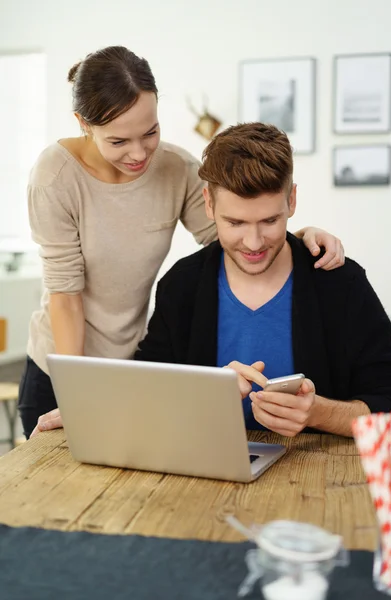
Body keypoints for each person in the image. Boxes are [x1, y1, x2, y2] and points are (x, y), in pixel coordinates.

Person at [24, 45, 344, 439]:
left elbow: (237, 239)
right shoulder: (55, 177)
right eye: (119, 142)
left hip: (134, 366)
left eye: (150, 132)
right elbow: (65, 295)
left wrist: (299, 235)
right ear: (83, 124)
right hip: (60, 369)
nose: (139, 153)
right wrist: (76, 395)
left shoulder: (177, 169)